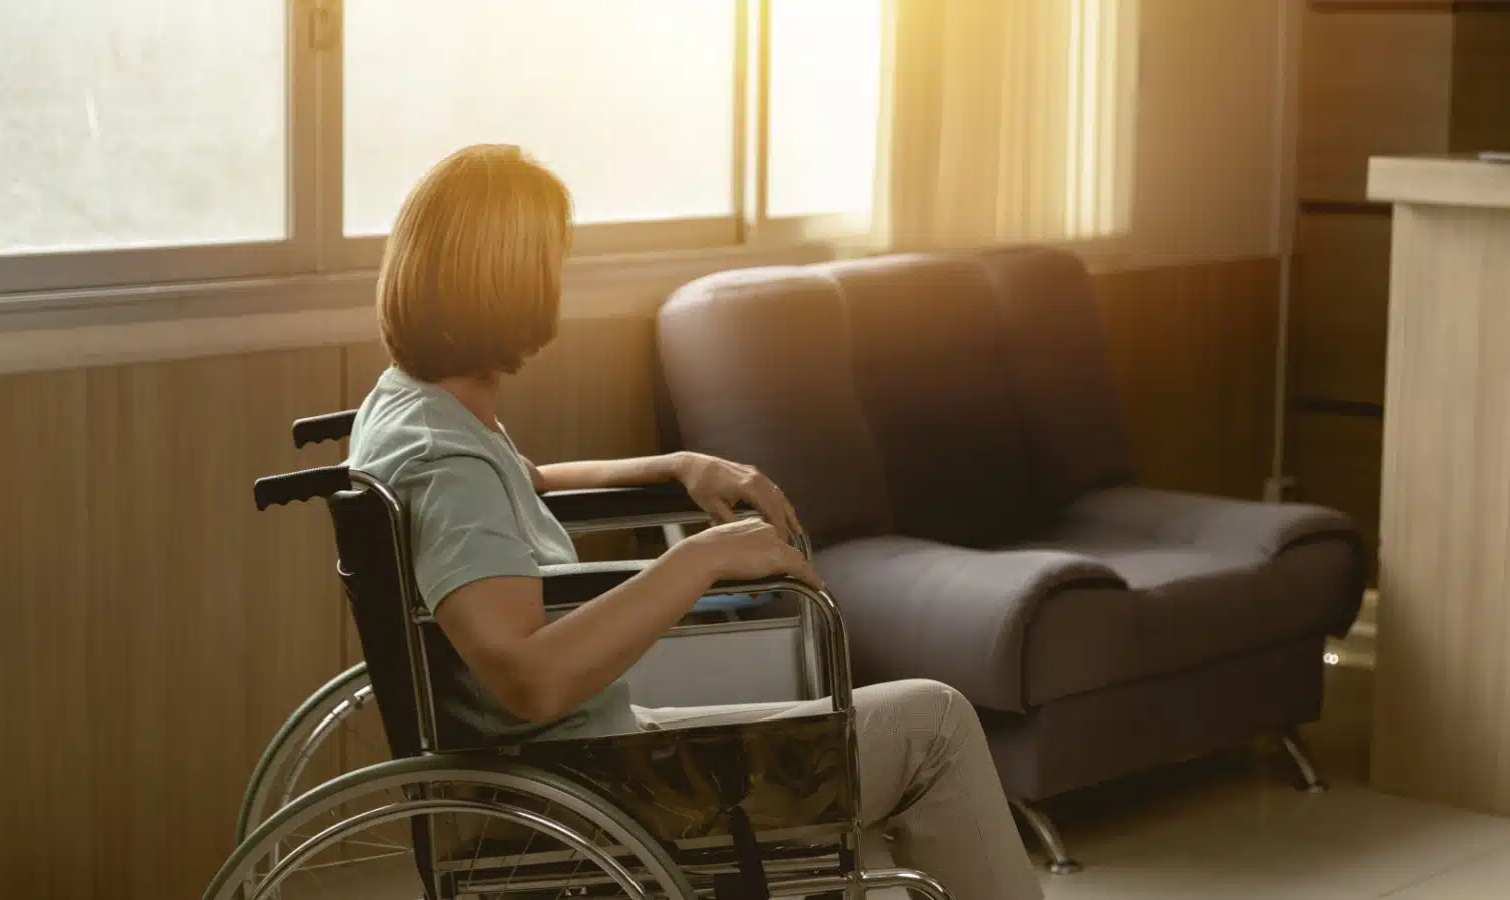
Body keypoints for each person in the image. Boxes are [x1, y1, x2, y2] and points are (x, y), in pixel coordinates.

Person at [347, 143, 1042, 900]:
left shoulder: (414, 410)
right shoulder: (445, 463)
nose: (556, 285)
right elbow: (532, 679)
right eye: (551, 264)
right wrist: (699, 561)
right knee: (932, 724)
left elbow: (525, 485)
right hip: (597, 791)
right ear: (506, 281)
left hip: (580, 767)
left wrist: (675, 463)